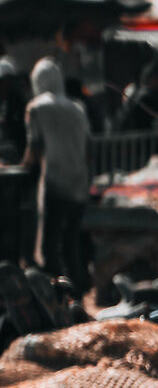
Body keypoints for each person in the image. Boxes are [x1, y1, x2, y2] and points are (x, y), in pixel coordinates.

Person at [21, 56, 90, 286]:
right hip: (79, 182)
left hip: (56, 182)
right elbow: (89, 146)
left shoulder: (36, 108)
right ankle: (77, 289)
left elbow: (35, 146)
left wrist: (23, 167)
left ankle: (55, 292)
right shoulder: (78, 109)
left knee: (50, 244)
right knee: (71, 242)